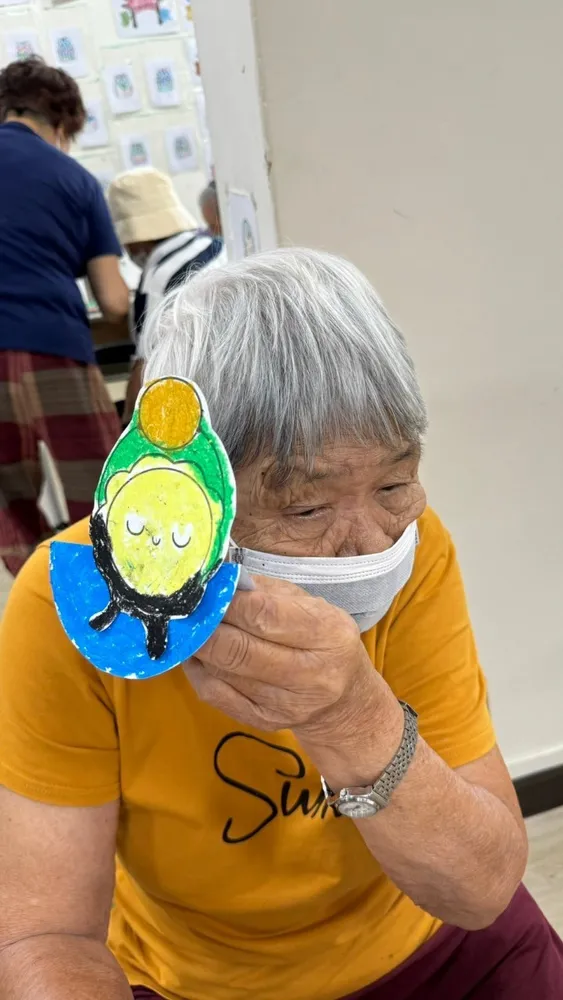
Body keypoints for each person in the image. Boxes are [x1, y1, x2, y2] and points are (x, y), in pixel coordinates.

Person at [0, 248, 562, 1000]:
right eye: (305, 507)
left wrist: (350, 717)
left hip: (430, 936)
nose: (369, 544)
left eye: (395, 482)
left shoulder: (416, 552)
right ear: (194, 494)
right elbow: (46, 934)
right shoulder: (75, 599)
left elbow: (481, 889)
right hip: (197, 979)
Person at [0, 57, 128, 576]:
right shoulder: (74, 178)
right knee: (102, 492)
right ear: (63, 123)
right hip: (55, 345)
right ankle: (112, 594)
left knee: (9, 501)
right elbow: (114, 300)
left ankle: (42, 590)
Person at [108, 167, 226, 423]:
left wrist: (127, 423)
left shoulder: (159, 276)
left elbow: (147, 366)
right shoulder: (216, 247)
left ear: (134, 238)